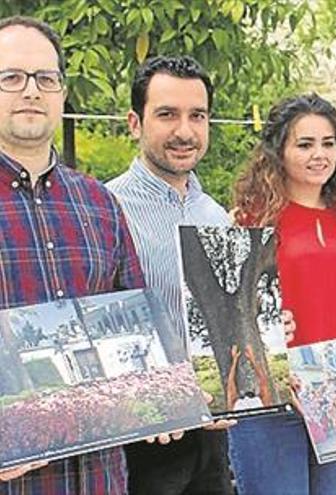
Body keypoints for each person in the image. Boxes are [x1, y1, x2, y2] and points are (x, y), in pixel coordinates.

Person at [0, 15, 144, 493]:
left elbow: (139, 333)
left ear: (61, 91)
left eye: (46, 78)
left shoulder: (100, 204)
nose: (31, 91)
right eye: (11, 78)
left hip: (100, 477)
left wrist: (192, 392)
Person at [230, 93, 336, 494]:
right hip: (276, 402)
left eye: (328, 143)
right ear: (278, 150)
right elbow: (233, 319)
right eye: (305, 144)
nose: (319, 154)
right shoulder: (251, 220)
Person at [106, 54, 236, 495]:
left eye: (196, 115)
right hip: (140, 439)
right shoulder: (106, 211)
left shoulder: (215, 216)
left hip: (214, 432)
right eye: (167, 114)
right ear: (134, 123)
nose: (184, 131)